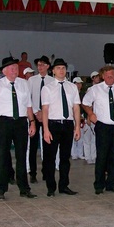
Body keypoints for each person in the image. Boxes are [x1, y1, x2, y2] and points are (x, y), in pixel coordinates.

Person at [0, 56, 37, 200]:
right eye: (12, 68)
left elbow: (28, 105)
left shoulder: (24, 84)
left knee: (22, 156)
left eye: (16, 68)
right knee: (2, 156)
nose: (15, 70)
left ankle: (24, 188)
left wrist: (32, 122)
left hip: (21, 122)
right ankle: (1, 189)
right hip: (3, 123)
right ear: (5, 71)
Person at [82, 66, 114, 194]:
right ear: (103, 76)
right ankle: (99, 185)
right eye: (108, 75)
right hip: (103, 126)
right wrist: (90, 113)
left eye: (112, 75)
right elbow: (85, 103)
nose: (110, 77)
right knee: (102, 156)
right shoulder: (95, 89)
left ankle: (112, 183)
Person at [41, 58, 81, 197]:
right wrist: (45, 129)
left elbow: (76, 108)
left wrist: (77, 127)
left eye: (63, 68)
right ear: (53, 71)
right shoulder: (47, 88)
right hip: (53, 124)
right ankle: (51, 187)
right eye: (58, 68)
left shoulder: (72, 87)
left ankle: (64, 185)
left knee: (65, 158)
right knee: (50, 158)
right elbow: (45, 110)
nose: (61, 70)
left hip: (68, 124)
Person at [27, 55, 53, 183]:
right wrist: (36, 112)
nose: (40, 67)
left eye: (42, 65)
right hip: (35, 115)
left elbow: (53, 100)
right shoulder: (32, 80)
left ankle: (46, 171)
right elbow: (28, 98)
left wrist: (44, 112)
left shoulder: (52, 81)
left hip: (48, 115)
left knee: (48, 144)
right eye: (38, 65)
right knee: (33, 146)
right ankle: (33, 172)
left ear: (47, 66)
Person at [82, 71, 101, 165]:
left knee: (94, 138)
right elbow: (87, 105)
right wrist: (89, 117)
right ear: (92, 78)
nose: (97, 78)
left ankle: (94, 156)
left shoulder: (101, 88)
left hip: (97, 117)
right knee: (87, 138)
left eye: (98, 77)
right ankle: (88, 156)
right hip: (89, 116)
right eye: (95, 77)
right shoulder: (90, 89)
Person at [70, 77, 85, 160]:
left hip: (82, 116)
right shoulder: (71, 94)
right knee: (73, 135)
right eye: (77, 83)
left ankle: (80, 153)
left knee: (81, 135)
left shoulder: (83, 94)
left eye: (80, 83)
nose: (79, 85)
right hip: (72, 116)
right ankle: (73, 153)